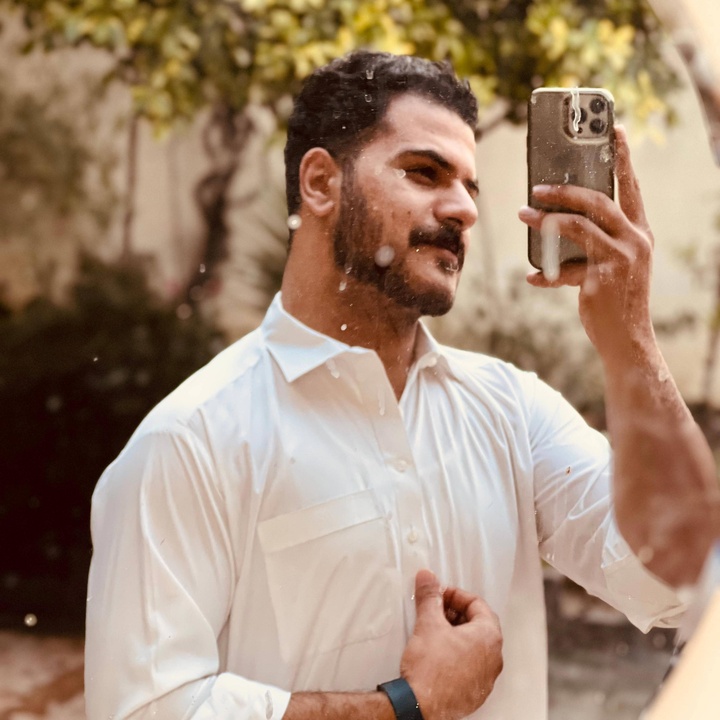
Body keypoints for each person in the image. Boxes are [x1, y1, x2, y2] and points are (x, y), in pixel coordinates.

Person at [84, 51, 720, 720]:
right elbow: (144, 710)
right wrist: (406, 708)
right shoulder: (189, 441)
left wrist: (629, 341)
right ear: (321, 184)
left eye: (470, 187)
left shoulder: (512, 412)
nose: (463, 209)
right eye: (424, 172)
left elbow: (679, 576)